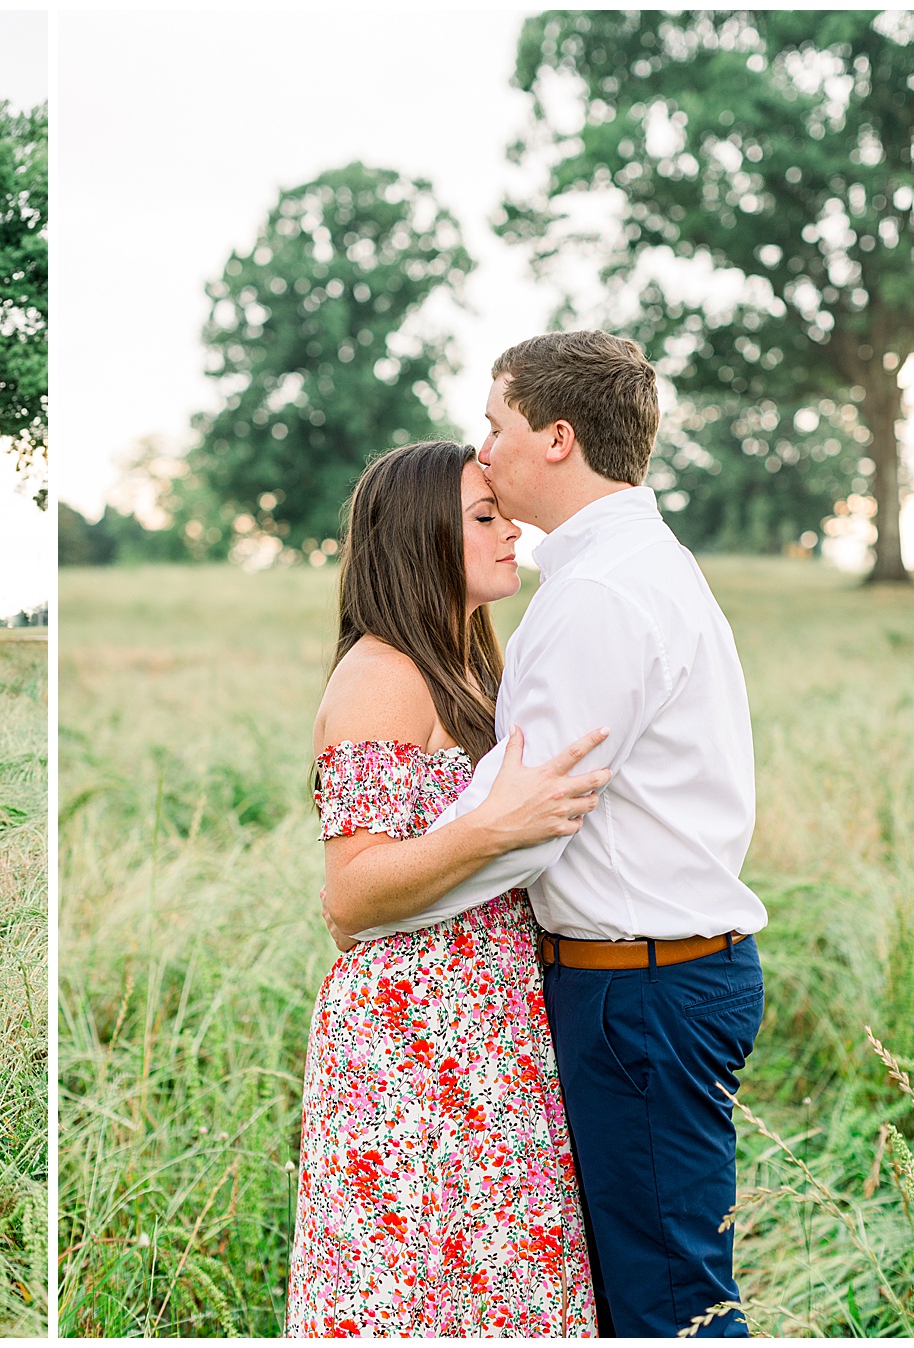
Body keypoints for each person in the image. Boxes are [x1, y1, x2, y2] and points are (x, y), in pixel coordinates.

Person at [412, 332, 766, 1337]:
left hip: (638, 990)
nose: (481, 449)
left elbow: (524, 817)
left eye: (496, 424)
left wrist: (383, 892)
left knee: (667, 1309)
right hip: (644, 979)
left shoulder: (601, 593)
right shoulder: (632, 567)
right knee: (635, 1296)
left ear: (557, 437)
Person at [286, 440, 611, 1337]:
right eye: (482, 516)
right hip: (410, 1038)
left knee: (508, 1293)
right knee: (412, 1296)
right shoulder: (382, 679)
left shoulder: (473, 663)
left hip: (491, 1022)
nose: (510, 530)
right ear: (418, 538)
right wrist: (493, 828)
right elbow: (349, 895)